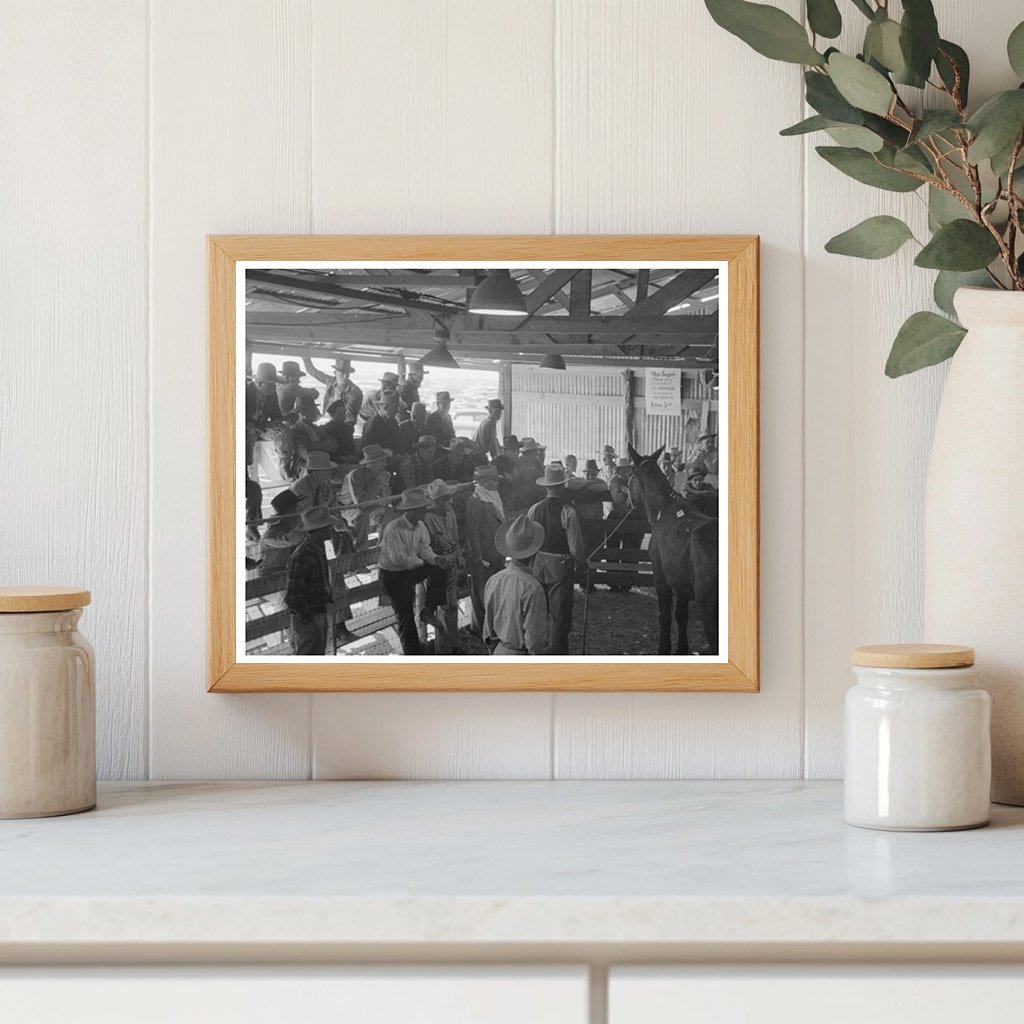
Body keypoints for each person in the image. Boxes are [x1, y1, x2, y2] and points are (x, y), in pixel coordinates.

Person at [377, 487, 451, 655]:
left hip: (409, 570)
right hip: (392, 576)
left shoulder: (420, 525)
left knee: (439, 568)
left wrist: (435, 559)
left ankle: (428, 611)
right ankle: (412, 653)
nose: (425, 511)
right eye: (422, 508)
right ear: (412, 510)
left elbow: (425, 548)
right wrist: (424, 563)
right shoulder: (393, 529)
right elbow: (400, 559)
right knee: (405, 616)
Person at [527, 464, 587, 655]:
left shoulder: (534, 510)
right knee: (559, 614)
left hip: (538, 563)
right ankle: (557, 651)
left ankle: (537, 646)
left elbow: (529, 539)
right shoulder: (567, 511)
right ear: (561, 486)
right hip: (560, 566)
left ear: (546, 486)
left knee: (538, 610)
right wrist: (581, 561)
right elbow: (575, 544)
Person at [483, 515, 548, 656]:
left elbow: (488, 630)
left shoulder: (494, 580)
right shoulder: (533, 589)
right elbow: (535, 640)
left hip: (498, 652)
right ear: (535, 551)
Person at [284, 506, 338, 656]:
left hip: (315, 611)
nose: (330, 529)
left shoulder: (315, 549)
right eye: (327, 527)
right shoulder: (302, 555)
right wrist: (309, 617)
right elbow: (292, 596)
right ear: (320, 530)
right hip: (309, 615)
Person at [423, 478, 465, 654]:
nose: (450, 502)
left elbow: (455, 537)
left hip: (452, 560)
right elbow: (425, 546)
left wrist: (459, 556)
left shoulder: (451, 514)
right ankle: (444, 648)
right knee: (442, 605)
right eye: (446, 499)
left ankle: (454, 644)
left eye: (450, 498)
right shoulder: (426, 519)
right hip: (437, 566)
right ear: (436, 501)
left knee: (453, 604)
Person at [464, 463, 506, 634]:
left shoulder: (494, 496)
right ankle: (482, 629)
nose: (497, 483)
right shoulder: (475, 501)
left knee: (494, 592)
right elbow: (472, 532)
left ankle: (491, 627)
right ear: (483, 481)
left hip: (497, 553)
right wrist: (478, 556)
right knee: (483, 593)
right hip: (484, 558)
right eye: (494, 480)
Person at [338, 443, 392, 551]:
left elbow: (385, 499)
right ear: (371, 463)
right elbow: (360, 504)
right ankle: (360, 551)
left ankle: (382, 546)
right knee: (362, 516)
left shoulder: (383, 474)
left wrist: (384, 488)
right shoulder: (355, 475)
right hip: (348, 507)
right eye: (382, 461)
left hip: (371, 504)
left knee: (389, 511)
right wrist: (377, 484)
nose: (385, 464)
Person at [304, 356, 362, 446]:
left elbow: (349, 420)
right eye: (342, 374)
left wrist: (329, 425)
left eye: (347, 373)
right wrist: (305, 358)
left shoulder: (355, 393)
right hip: (330, 425)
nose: (345, 377)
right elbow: (313, 372)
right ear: (335, 373)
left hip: (343, 432)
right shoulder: (331, 381)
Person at [605, 457, 643, 593]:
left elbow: (638, 498)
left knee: (630, 549)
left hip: (631, 518)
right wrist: (628, 492)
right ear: (618, 469)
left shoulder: (633, 480)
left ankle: (627, 583)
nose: (626, 472)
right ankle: (613, 582)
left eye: (628, 469)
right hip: (616, 517)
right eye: (623, 469)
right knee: (613, 550)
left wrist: (627, 491)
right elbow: (618, 498)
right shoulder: (615, 480)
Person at [246, 361, 283, 486]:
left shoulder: (272, 395)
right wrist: (265, 426)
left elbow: (276, 414)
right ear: (259, 383)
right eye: (271, 385)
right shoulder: (244, 392)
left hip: (255, 435)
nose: (274, 388)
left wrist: (279, 423)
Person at [565, 458, 609, 558]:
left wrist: (585, 485)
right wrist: (587, 483)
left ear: (597, 474)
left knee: (597, 551)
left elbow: (603, 487)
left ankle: (594, 571)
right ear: (584, 473)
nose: (590, 477)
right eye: (588, 474)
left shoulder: (600, 482)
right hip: (582, 523)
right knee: (582, 550)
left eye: (593, 474)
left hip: (596, 523)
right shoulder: (578, 481)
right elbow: (570, 484)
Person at [257, 488, 302, 578]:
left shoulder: (290, 526)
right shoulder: (270, 535)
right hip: (271, 574)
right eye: (297, 506)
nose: (301, 508)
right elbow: (292, 539)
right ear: (290, 512)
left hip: (286, 569)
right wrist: (310, 523)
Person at [289, 449, 336, 513]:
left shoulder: (324, 483)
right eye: (327, 470)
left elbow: (331, 502)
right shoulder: (299, 488)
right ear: (315, 472)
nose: (330, 473)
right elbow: (305, 512)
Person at [322, 398, 357, 463]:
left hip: (349, 459)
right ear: (332, 415)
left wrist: (350, 457)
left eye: (344, 413)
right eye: (340, 414)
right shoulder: (325, 430)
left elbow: (351, 448)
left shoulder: (348, 429)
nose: (343, 416)